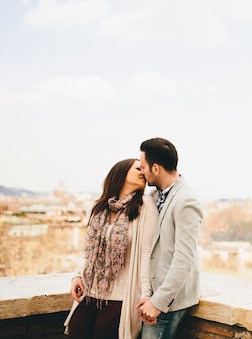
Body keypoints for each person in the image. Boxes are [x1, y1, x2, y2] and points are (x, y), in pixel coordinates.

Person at [65, 158, 159, 339]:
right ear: (121, 173)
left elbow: (146, 254)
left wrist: (146, 295)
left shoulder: (145, 206)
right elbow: (91, 251)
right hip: (90, 292)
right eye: (138, 168)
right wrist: (78, 274)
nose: (143, 172)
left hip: (120, 298)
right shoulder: (97, 207)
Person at [136, 137, 204, 339]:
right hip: (152, 296)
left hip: (168, 302)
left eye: (143, 166)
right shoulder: (155, 195)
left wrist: (158, 302)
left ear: (155, 168)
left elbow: (184, 259)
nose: (141, 171)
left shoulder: (186, 201)